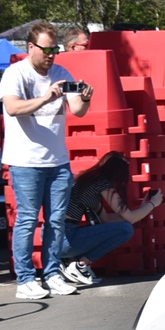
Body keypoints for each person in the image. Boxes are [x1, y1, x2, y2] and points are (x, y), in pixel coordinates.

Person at [0, 20, 93, 299]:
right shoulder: (16, 74)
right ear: (31, 47)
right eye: (46, 50)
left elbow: (78, 110)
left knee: (56, 221)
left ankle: (52, 275)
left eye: (55, 50)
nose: (51, 55)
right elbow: (12, 108)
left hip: (57, 162)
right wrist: (45, 97)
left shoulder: (61, 73)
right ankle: (26, 280)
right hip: (26, 161)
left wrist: (85, 98)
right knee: (28, 220)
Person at [60, 152, 162, 285]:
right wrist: (153, 204)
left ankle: (68, 261)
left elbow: (106, 220)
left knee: (122, 227)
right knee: (126, 230)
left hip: (56, 238)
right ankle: (80, 264)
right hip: (67, 238)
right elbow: (130, 218)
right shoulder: (102, 184)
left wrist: (142, 208)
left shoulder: (87, 182)